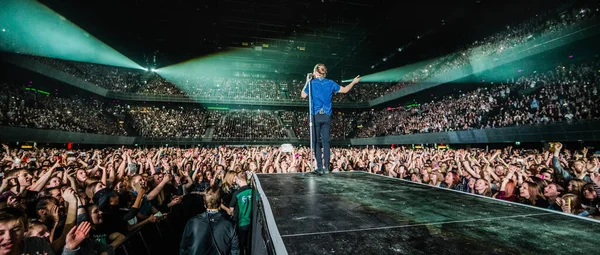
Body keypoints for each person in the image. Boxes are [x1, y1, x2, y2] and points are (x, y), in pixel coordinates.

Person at [301, 63, 360, 174]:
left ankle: (319, 167)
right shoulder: (330, 83)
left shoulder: (311, 83)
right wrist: (353, 82)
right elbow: (345, 90)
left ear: (316, 72)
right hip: (326, 116)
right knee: (326, 142)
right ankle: (326, 168)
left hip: (316, 115)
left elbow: (303, 95)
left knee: (316, 142)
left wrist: (307, 81)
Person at [0, 207, 89, 255]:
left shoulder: (37, 244)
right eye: (1, 232)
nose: (8, 237)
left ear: (25, 228)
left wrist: (69, 248)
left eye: (16, 230)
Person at [180, 186, 239, 255]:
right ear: (221, 202)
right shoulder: (230, 225)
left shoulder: (192, 222)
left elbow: (183, 248)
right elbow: (235, 251)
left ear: (204, 204)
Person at [228, 172, 251, 255]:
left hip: (241, 222)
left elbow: (231, 209)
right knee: (249, 244)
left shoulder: (237, 193)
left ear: (239, 180)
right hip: (251, 222)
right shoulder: (253, 191)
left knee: (241, 244)